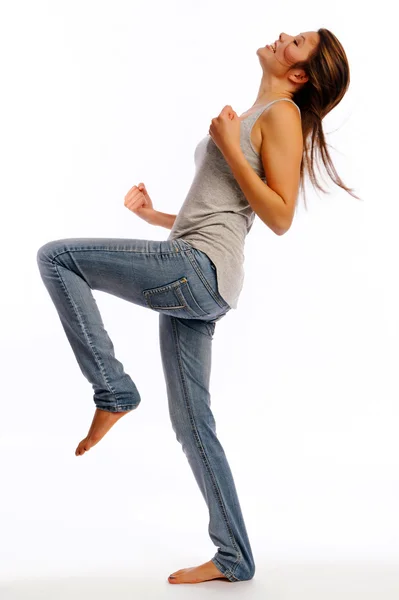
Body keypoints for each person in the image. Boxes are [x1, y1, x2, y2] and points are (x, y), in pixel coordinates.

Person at [37, 28, 359, 585]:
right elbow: (223, 210)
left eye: (297, 42)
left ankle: (113, 391)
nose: (282, 35)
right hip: (198, 270)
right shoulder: (263, 110)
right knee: (192, 424)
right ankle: (233, 554)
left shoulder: (281, 114)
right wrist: (156, 217)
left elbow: (279, 217)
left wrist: (231, 146)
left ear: (300, 74)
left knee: (58, 257)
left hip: (197, 269)